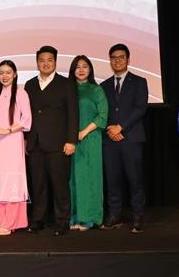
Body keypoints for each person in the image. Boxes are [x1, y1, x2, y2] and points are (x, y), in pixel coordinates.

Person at [24, 45, 78, 236]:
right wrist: (25, 139)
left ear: (55, 62)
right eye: (41, 60)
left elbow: (73, 113)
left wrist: (71, 140)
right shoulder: (29, 84)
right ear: (37, 62)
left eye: (49, 60)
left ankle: (62, 221)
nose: (45, 63)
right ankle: (37, 220)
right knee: (38, 185)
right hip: (35, 143)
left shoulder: (66, 83)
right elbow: (26, 114)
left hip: (58, 143)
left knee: (60, 184)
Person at [99, 43, 148, 234]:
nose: (117, 60)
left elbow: (140, 108)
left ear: (128, 59)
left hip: (131, 139)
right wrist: (110, 130)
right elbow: (101, 112)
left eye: (121, 57)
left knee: (135, 180)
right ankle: (115, 215)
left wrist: (121, 127)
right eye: (113, 57)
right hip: (109, 140)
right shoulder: (103, 86)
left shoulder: (139, 82)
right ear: (109, 60)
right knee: (112, 180)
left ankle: (138, 217)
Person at [0, 60, 32, 236]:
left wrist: (7, 130)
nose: (4, 76)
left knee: (13, 181)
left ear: (15, 74)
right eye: (1, 72)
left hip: (13, 141)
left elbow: (26, 120)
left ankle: (11, 221)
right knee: (1, 182)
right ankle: (3, 220)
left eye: (8, 72)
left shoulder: (21, 94)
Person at [67, 55, 108, 231]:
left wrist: (84, 131)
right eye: (77, 67)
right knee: (73, 179)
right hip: (70, 141)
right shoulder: (67, 90)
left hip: (90, 139)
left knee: (90, 177)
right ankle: (74, 216)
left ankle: (89, 217)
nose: (81, 70)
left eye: (85, 66)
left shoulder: (96, 90)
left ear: (90, 69)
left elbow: (103, 115)